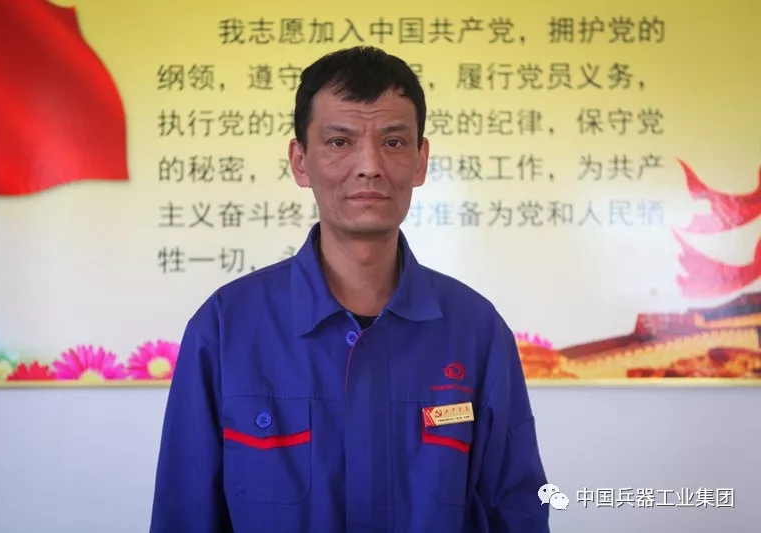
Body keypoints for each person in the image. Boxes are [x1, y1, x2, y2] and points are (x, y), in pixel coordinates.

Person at [149, 46, 550, 533]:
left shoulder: (476, 331)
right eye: (340, 141)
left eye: (394, 142)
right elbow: (184, 515)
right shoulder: (225, 329)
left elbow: (518, 512)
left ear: (421, 161)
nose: (370, 165)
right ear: (300, 161)